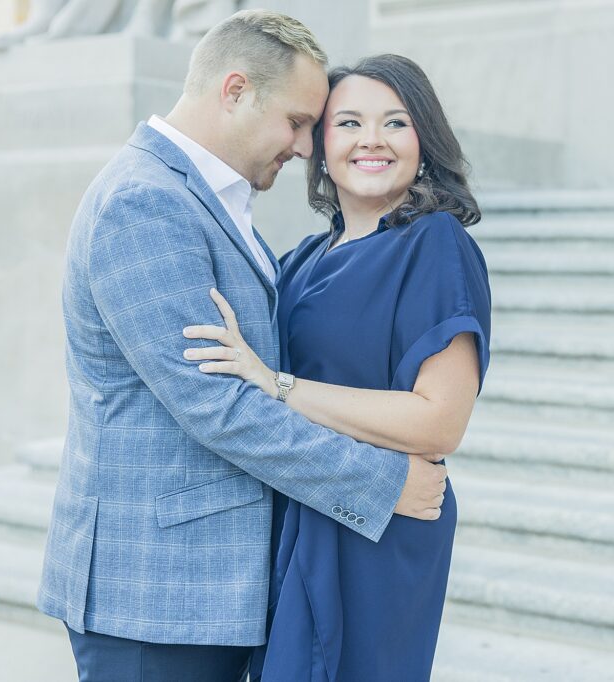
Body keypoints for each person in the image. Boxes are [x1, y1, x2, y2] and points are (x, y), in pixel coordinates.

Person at [36, 12, 449, 682]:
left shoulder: (209, 199)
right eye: (296, 121)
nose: (307, 146)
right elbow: (215, 406)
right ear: (234, 90)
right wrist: (382, 480)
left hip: (206, 593)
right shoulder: (146, 203)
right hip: (153, 599)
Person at [182, 54, 492, 682]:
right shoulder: (300, 259)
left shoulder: (434, 244)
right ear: (319, 144)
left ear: (423, 139)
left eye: (395, 123)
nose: (371, 140)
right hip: (300, 509)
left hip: (379, 531)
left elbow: (439, 423)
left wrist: (278, 386)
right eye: (348, 122)